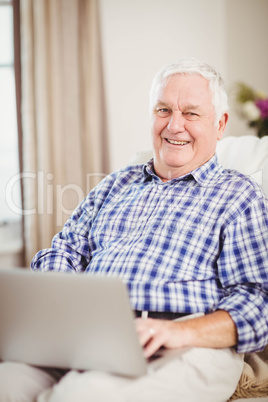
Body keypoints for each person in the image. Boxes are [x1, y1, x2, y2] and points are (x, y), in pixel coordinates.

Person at [1, 58, 268, 402]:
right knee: (6, 382)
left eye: (191, 113)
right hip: (89, 335)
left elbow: (258, 301)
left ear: (220, 124)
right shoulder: (115, 185)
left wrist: (179, 331)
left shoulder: (238, 194)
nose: (174, 126)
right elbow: (63, 252)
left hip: (185, 343)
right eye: (163, 110)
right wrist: (63, 314)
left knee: (82, 395)